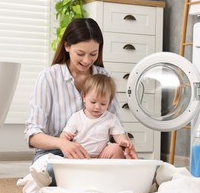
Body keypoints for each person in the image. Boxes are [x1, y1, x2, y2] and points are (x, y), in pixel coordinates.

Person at [24, 18, 138, 168]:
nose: (87, 60)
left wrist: (125, 147)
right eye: (80, 53)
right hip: (56, 153)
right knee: (49, 171)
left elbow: (116, 126)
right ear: (67, 46)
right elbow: (32, 134)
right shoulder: (49, 77)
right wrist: (63, 144)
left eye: (93, 54)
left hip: (98, 154)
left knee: (139, 166)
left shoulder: (104, 78)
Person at [60, 74, 134, 158]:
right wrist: (65, 136)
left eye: (103, 104)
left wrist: (123, 141)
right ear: (84, 97)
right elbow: (64, 135)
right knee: (69, 150)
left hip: (100, 157)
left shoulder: (111, 118)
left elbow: (118, 135)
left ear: (109, 102)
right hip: (80, 155)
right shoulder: (76, 117)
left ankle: (110, 170)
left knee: (116, 148)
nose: (97, 107)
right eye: (93, 102)